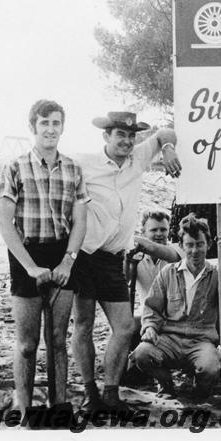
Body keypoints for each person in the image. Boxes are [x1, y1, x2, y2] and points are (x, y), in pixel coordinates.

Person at [72, 111, 181, 412]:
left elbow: (165, 132)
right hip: (83, 255)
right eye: (120, 134)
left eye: (132, 135)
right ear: (106, 136)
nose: (127, 141)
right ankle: (89, 393)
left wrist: (168, 148)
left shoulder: (138, 158)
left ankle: (111, 393)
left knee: (122, 327)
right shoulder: (83, 162)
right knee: (83, 324)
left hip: (112, 258)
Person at [0, 100, 89, 417]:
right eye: (44, 123)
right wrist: (30, 266)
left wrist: (67, 261)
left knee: (57, 340)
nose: (50, 129)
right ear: (33, 127)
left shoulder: (74, 169)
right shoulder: (15, 167)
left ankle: (58, 405)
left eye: (56, 123)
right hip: (26, 255)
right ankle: (24, 407)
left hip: (61, 252)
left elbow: (80, 221)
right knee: (27, 343)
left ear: (63, 127)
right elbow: (4, 223)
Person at [132, 214, 221, 399]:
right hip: (169, 339)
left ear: (208, 245)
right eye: (189, 245)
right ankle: (166, 385)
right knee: (141, 354)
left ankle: (200, 391)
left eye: (199, 244)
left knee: (211, 366)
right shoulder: (168, 273)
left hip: (201, 341)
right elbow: (153, 307)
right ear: (182, 246)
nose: (195, 250)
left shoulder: (217, 275)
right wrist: (150, 327)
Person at [125, 209, 182, 351]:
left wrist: (130, 239)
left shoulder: (175, 250)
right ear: (143, 231)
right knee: (125, 327)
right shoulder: (136, 255)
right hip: (147, 312)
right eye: (154, 229)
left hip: (175, 313)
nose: (159, 234)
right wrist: (127, 260)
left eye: (163, 229)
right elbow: (125, 280)